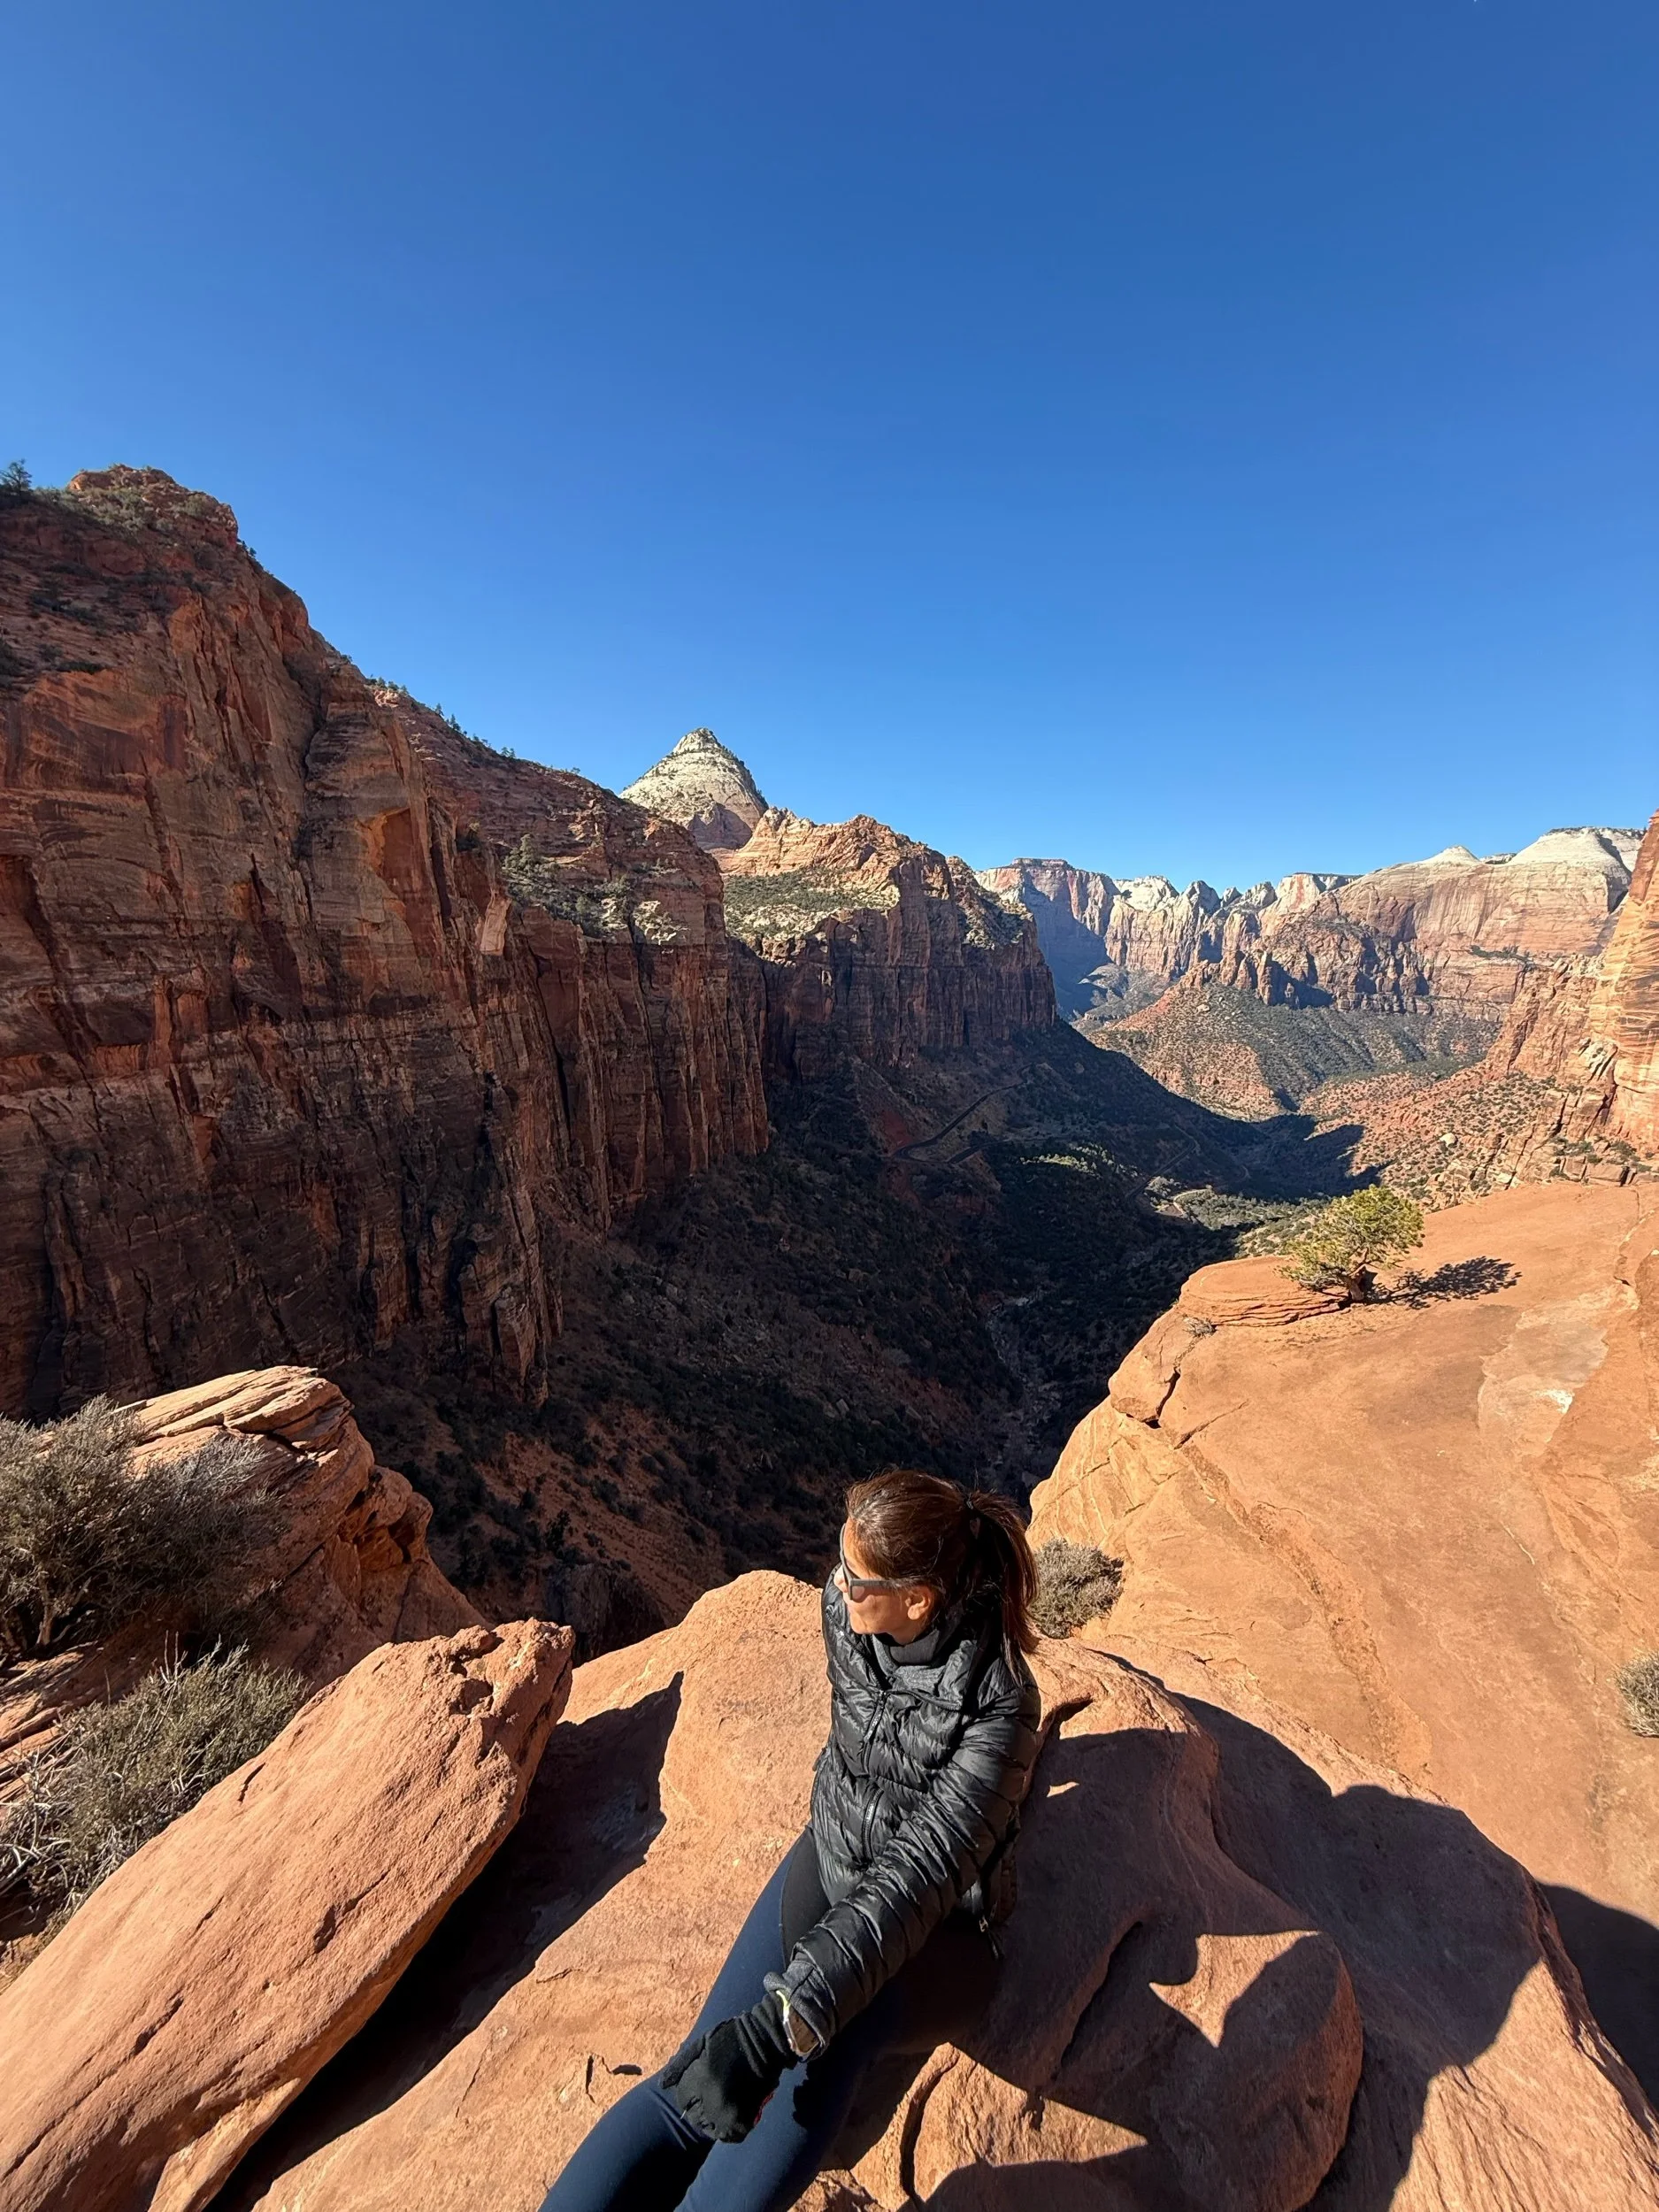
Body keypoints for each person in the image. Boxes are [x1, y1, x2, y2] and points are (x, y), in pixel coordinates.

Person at [541, 1467, 1044, 2212]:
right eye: (840, 1559)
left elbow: (920, 1876)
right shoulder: (845, 1612)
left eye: (856, 1578)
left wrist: (781, 2025)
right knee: (695, 2076)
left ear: (917, 1599)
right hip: (832, 1859)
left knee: (827, 2034)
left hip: (937, 1935)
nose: (836, 1583)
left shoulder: (998, 1707)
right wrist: (762, 2030)